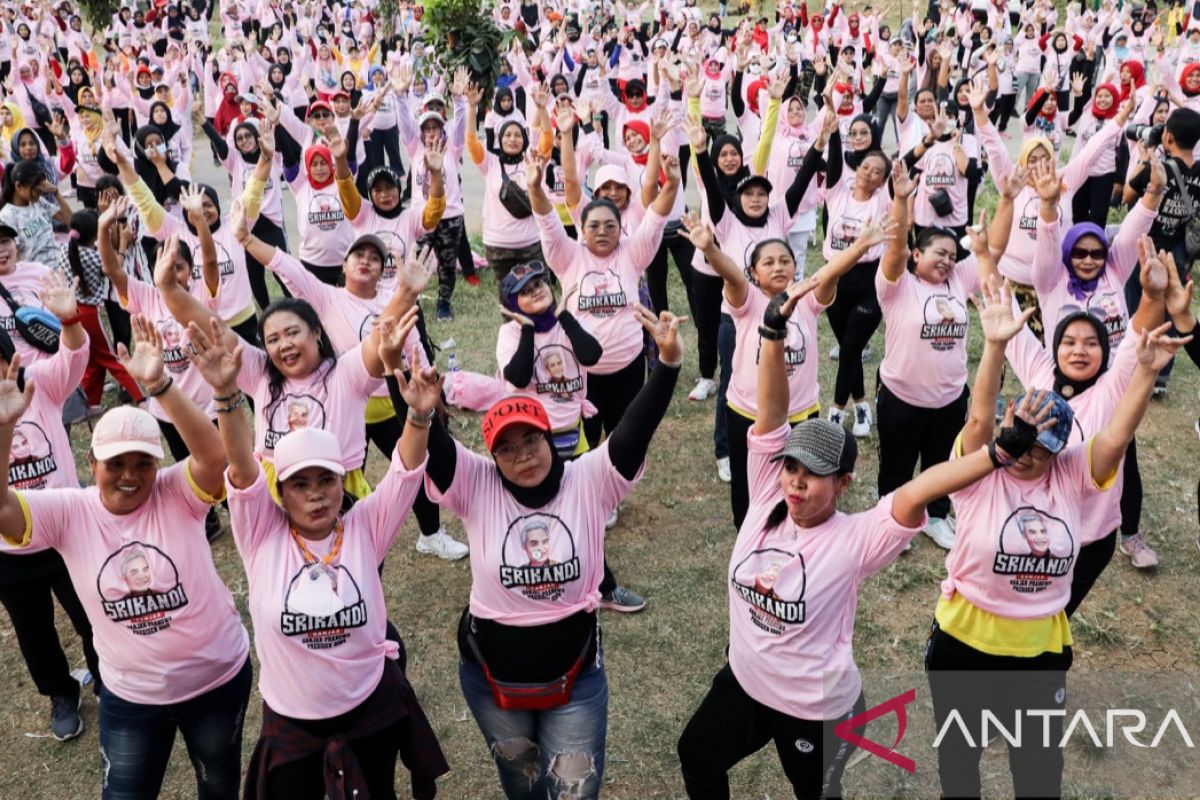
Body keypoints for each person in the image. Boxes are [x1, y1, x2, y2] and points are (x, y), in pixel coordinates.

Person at [675, 273, 1033, 800]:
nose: (796, 481)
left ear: (842, 482)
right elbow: (770, 415)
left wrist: (996, 455)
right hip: (746, 684)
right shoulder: (765, 502)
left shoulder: (855, 539)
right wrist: (771, 336)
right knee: (697, 755)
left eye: (813, 473)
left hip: (817, 710)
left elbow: (918, 491)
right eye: (792, 467)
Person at [405, 306, 686, 800]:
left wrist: (666, 365)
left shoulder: (589, 480)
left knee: (573, 790)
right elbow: (434, 449)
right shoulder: (477, 483)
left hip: (574, 680)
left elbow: (634, 431)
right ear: (492, 456)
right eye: (507, 448)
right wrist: (418, 409)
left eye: (531, 440)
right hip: (492, 683)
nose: (522, 455)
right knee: (524, 783)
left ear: (550, 439)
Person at [926, 276, 1187, 799]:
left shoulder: (1071, 474)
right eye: (1019, 437)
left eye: (1041, 445)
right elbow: (978, 417)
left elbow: (1115, 435)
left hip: (1041, 654)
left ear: (1061, 449)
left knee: (1039, 777)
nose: (1026, 453)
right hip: (962, 646)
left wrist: (1144, 373)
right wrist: (995, 346)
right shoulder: (981, 474)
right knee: (960, 768)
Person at [185, 308, 450, 799]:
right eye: (299, 483)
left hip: (372, 712)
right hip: (293, 726)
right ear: (280, 491)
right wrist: (225, 396)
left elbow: (405, 473)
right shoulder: (261, 532)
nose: (316, 494)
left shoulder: (366, 525)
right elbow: (242, 471)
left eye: (326, 479)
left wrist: (418, 415)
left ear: (341, 480)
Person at [0, 316, 252, 800]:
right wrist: (5, 430)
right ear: (91, 464)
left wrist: (159, 385)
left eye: (143, 462)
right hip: (132, 696)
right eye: (115, 463)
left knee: (218, 785)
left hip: (216, 680)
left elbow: (216, 459)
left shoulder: (176, 493)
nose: (130, 475)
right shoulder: (69, 510)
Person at [0, 270, 100, 741]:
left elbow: (75, 355)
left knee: (93, 613)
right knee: (33, 631)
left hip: (65, 530)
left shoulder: (40, 383)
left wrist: (70, 320)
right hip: (8, 547)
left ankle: (107, 674)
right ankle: (61, 692)